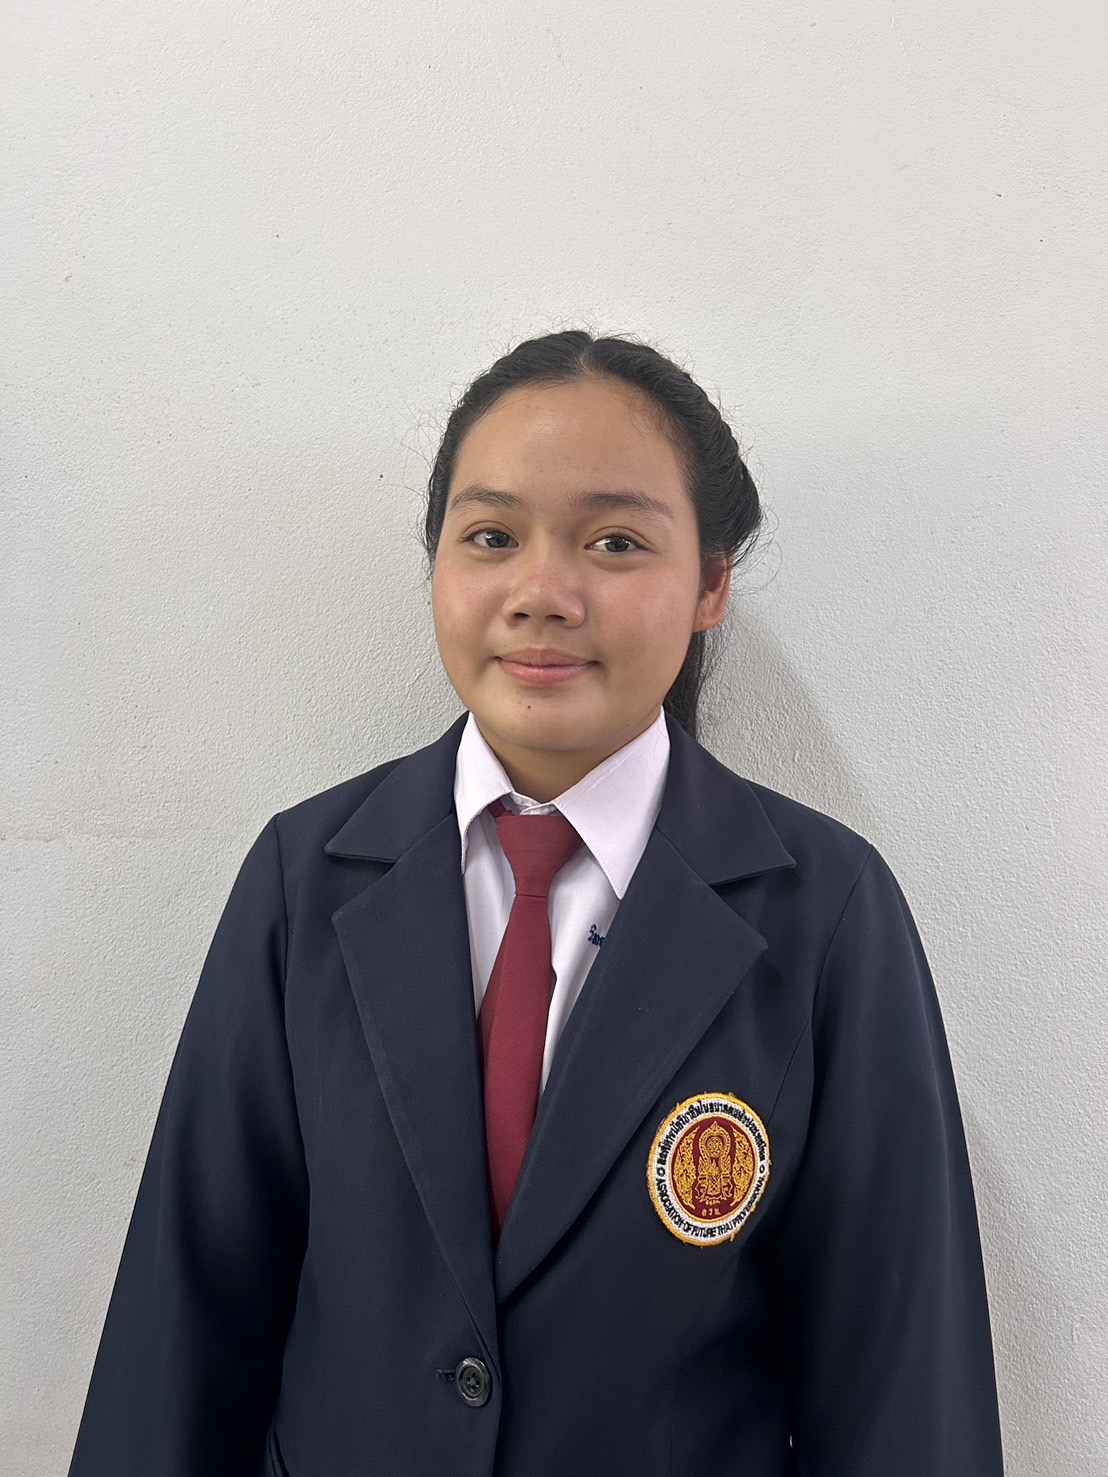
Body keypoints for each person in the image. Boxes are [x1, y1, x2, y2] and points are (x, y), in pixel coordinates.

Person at [69, 331, 1004, 1476]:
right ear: (437, 563)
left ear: (710, 583)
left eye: (614, 542)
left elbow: (902, 1383)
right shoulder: (304, 878)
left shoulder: (825, 915)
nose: (541, 594)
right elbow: (185, 1319)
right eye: (491, 536)